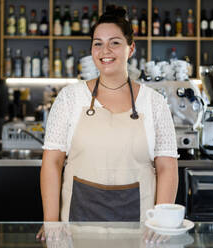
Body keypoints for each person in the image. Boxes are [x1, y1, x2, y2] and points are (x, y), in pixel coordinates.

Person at [37, 5, 178, 241]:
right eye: (98, 43)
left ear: (130, 48)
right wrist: (51, 222)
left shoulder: (154, 103)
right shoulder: (70, 98)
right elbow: (52, 162)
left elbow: (167, 167)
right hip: (76, 226)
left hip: (141, 229)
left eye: (114, 42)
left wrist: (161, 223)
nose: (105, 50)